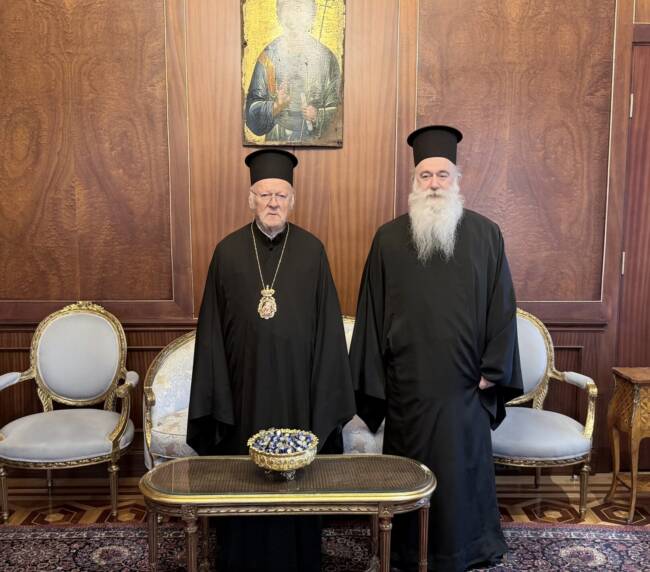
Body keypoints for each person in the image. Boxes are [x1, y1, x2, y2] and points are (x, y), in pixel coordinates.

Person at [349, 125, 523, 572]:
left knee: (463, 473)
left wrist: (493, 370)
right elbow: (370, 314)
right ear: (414, 181)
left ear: (456, 179)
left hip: (466, 386)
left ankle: (468, 549)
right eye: (425, 175)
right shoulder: (388, 239)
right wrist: (377, 381)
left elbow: (502, 307)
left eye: (442, 174)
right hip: (409, 389)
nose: (433, 184)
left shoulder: (486, 235)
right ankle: (406, 551)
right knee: (410, 472)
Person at [187, 148, 355, 572]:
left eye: (281, 195)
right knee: (243, 479)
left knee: (298, 484)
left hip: (299, 394)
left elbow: (328, 329)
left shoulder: (312, 251)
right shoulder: (227, 252)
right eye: (265, 195)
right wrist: (216, 395)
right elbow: (211, 332)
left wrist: (324, 395)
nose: (273, 203)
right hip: (243, 392)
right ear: (251, 199)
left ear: (292, 200)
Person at [245, 0, 341, 143]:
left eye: (300, 9)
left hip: (316, 142)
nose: (295, 17)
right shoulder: (268, 57)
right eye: (289, 9)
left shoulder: (326, 59)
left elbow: (339, 113)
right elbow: (250, 114)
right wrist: (276, 106)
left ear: (311, 15)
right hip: (277, 140)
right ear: (279, 15)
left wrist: (317, 115)